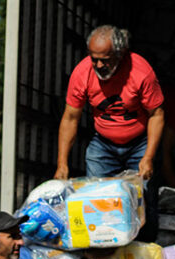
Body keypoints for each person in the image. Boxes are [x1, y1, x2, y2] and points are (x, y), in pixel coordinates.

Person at [55, 25, 165, 181]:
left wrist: (148, 157)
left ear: (120, 55)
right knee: (97, 197)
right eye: (94, 59)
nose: (99, 65)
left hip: (140, 145)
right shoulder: (82, 73)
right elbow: (70, 118)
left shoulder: (141, 72)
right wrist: (62, 164)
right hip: (103, 145)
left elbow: (157, 115)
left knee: (142, 198)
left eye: (105, 60)